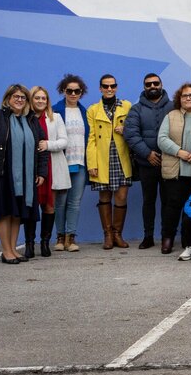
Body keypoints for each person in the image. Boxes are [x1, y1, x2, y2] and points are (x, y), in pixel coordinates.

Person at [0, 84, 49, 264]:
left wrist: (42, 173)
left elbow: (42, 148)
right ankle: (6, 252)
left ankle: (13, 249)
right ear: (8, 99)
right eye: (16, 97)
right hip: (2, 175)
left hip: (26, 176)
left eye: (23, 97)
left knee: (16, 214)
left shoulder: (31, 120)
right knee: (4, 213)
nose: (20, 100)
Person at [124, 72, 172, 250]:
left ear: (161, 84)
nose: (152, 87)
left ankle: (168, 236)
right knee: (148, 201)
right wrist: (148, 154)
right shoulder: (136, 109)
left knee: (168, 202)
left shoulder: (173, 106)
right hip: (146, 164)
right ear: (144, 87)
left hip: (169, 163)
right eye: (148, 84)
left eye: (155, 83)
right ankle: (148, 236)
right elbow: (131, 134)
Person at [86, 74, 132, 250]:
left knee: (121, 196)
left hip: (121, 157)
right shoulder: (93, 110)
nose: (109, 89)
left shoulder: (126, 106)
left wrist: (126, 129)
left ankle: (117, 234)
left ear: (116, 87)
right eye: (105, 86)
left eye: (112, 86)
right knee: (104, 196)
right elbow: (91, 139)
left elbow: (135, 128)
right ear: (100, 88)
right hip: (102, 158)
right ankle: (107, 235)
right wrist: (92, 164)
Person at [156, 83, 191, 254]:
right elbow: (161, 139)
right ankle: (167, 239)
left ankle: (187, 240)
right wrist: (180, 152)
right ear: (179, 99)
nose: (188, 98)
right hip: (175, 171)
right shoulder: (171, 115)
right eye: (184, 96)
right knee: (172, 207)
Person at [52, 74, 89, 252]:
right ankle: (59, 237)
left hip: (80, 163)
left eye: (77, 91)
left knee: (74, 202)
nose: (73, 94)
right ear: (63, 91)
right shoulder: (54, 111)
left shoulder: (86, 112)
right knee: (60, 202)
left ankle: (71, 237)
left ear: (81, 92)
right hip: (61, 163)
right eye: (69, 90)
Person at [27, 86, 66, 257]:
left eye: (44, 98)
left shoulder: (55, 118)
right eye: (37, 98)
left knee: (49, 206)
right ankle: (29, 244)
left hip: (52, 166)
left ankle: (45, 242)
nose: (41, 101)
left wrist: (47, 144)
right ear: (31, 99)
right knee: (31, 207)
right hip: (30, 168)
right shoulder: (24, 119)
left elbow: (64, 141)